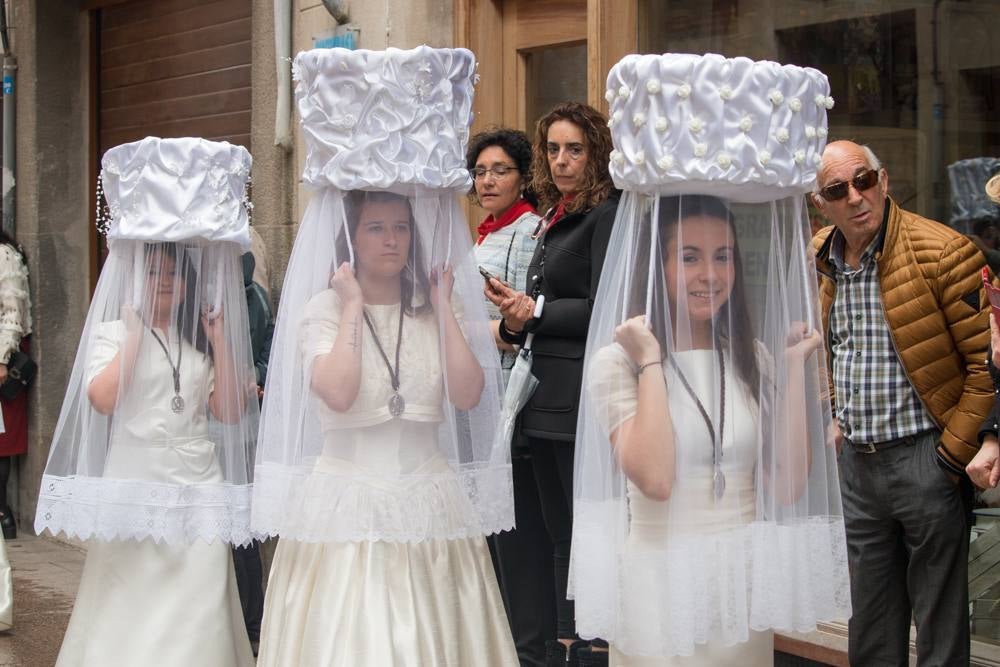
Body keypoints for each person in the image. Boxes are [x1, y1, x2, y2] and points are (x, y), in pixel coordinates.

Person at [571, 53, 850, 666]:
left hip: (738, 587)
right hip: (658, 586)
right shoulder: (617, 363)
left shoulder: (749, 356)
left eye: (722, 257)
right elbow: (657, 478)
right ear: (658, 265)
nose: (709, 274)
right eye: (689, 257)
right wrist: (649, 363)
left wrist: (798, 369)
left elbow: (785, 482)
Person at [252, 46, 517, 667]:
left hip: (428, 493)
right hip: (347, 497)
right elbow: (338, 394)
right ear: (352, 236)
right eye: (376, 228)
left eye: (400, 227)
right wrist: (349, 307)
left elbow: (468, 394)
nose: (392, 240)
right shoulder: (321, 310)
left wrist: (448, 307)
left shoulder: (433, 306)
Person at [34, 137, 258, 666]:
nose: (162, 282)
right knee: (129, 590)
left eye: (172, 274)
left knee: (200, 588)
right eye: (152, 272)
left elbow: (228, 412)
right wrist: (134, 337)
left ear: (187, 282)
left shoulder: (199, 340)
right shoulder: (113, 332)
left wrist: (222, 341)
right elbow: (103, 399)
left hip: (198, 474)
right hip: (136, 474)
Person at [812, 139, 995, 665]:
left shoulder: (944, 251)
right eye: (837, 190)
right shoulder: (821, 255)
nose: (856, 197)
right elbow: (826, 347)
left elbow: (988, 367)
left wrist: (949, 456)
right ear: (821, 202)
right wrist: (833, 413)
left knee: (939, 625)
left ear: (884, 179)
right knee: (869, 622)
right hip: (858, 464)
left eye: (864, 180)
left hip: (925, 456)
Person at [486, 101, 617, 666]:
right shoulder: (559, 213)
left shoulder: (606, 214)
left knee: (579, 540)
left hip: (580, 400)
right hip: (541, 398)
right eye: (553, 150)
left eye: (575, 149)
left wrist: (532, 310)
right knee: (552, 537)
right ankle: (553, 650)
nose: (562, 161)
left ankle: (589, 649)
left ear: (597, 153)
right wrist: (517, 316)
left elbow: (605, 304)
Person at [468, 127, 555, 666]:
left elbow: (523, 316)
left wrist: (492, 335)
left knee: (519, 536)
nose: (487, 180)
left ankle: (530, 649)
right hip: (475, 396)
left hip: (510, 397)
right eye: (479, 171)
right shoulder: (481, 233)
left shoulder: (529, 230)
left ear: (523, 175)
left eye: (499, 169)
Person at [230, 250, 273, 652]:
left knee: (244, 526)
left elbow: (268, 345)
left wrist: (256, 376)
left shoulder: (256, 297)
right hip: (204, 418)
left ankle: (252, 620)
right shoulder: (193, 300)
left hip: (244, 424)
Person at [0, 232, 30, 539]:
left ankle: (3, 513)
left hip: (2, 356)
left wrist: (1, 360)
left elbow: (12, 315)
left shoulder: (4, 255)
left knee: (1, 440)